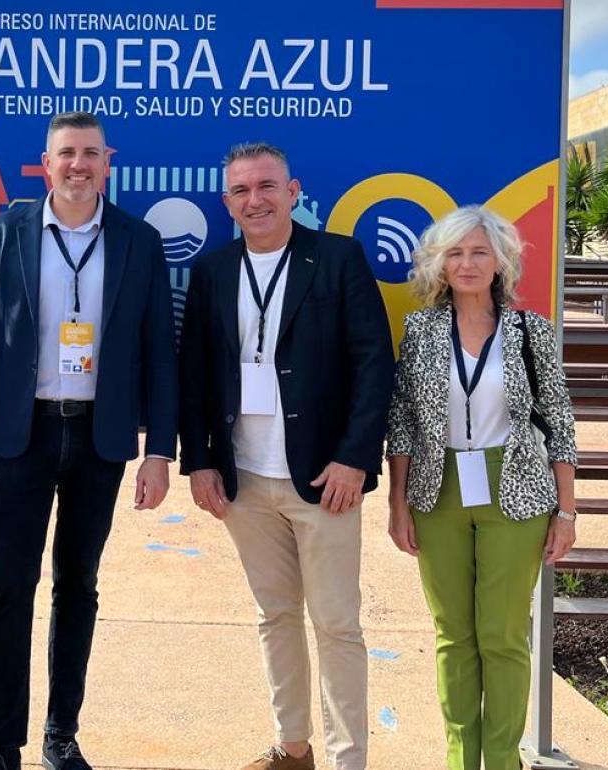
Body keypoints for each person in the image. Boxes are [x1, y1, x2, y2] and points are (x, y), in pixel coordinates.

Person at [0, 111, 179, 770]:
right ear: (46, 161)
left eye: (90, 153)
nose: (78, 165)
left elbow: (158, 354)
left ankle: (61, 735)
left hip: (100, 438)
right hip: (18, 437)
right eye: (66, 154)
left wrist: (160, 451)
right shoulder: (7, 233)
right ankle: (2, 744)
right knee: (8, 589)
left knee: (77, 586)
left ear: (107, 161)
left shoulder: (139, 241)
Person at [179, 142, 395, 770]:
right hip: (245, 480)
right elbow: (193, 374)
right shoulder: (213, 270)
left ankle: (348, 759)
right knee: (275, 617)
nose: (256, 200)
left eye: (267, 186)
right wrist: (201, 461)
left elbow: (373, 365)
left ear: (294, 191)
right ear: (227, 202)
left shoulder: (337, 258)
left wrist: (356, 458)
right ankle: (292, 747)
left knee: (336, 625)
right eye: (242, 191)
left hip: (325, 478)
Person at [385, 205, 578, 770]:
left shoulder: (530, 331)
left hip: (516, 492)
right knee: (453, 635)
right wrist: (398, 505)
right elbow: (402, 422)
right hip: (436, 489)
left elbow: (559, 422)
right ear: (439, 264)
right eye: (455, 252)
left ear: (500, 262)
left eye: (478, 252)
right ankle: (460, 758)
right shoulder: (419, 331)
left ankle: (501, 759)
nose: (467, 263)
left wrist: (566, 511)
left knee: (502, 634)